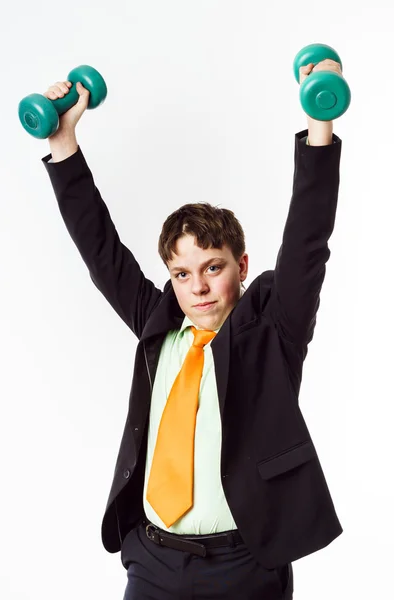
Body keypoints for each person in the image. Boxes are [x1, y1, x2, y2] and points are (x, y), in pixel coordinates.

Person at [41, 59, 343, 599]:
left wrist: (319, 124)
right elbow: (101, 252)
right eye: (182, 274)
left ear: (241, 267)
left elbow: (307, 243)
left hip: (242, 565)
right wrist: (63, 142)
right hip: (154, 560)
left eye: (213, 268)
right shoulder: (159, 326)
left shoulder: (273, 334)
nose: (198, 287)